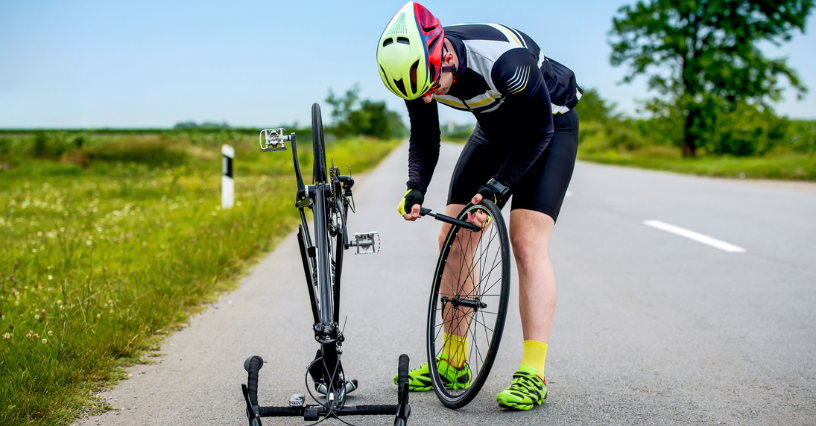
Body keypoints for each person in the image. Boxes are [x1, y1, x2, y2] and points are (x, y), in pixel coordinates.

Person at [377, 2, 581, 411]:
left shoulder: (506, 62)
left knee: (525, 242)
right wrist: (415, 188)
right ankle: (454, 362)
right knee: (453, 237)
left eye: (432, 87)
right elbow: (425, 137)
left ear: (446, 56)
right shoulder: (418, 72)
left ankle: (533, 373)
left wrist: (495, 191)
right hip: (494, 131)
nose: (428, 97)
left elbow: (537, 132)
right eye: (419, 93)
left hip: (548, 128)